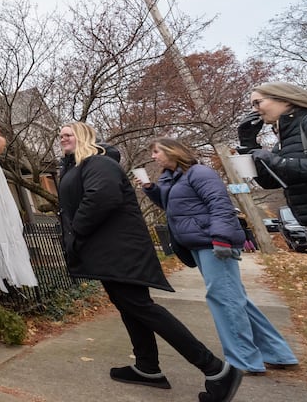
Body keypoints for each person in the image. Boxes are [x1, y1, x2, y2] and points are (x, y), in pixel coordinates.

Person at [56, 122, 242, 402]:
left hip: (118, 250)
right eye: (60, 135)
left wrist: (75, 231)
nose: (62, 138)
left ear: (85, 136)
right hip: (106, 249)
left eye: (68, 133)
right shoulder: (76, 166)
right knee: (130, 307)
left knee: (141, 307)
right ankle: (147, 367)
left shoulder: (98, 162)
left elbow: (101, 198)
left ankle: (216, 369)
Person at [140, 137, 298, 374]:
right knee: (235, 298)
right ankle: (277, 352)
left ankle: (243, 361)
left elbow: (219, 204)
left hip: (213, 243)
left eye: (156, 152)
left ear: (172, 151)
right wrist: (150, 189)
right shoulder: (171, 178)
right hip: (198, 244)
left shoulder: (199, 173)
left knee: (224, 299)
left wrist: (221, 238)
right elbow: (172, 207)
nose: (153, 157)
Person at [238, 81, 307, 226]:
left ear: (283, 98)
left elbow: (279, 165)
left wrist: (278, 162)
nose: (254, 110)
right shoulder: (284, 138)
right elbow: (269, 182)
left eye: (257, 103)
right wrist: (247, 144)